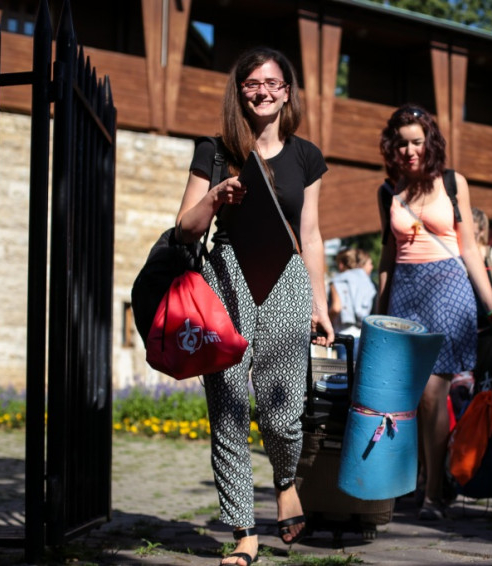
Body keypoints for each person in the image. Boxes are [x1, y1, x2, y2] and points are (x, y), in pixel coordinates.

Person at [175, 46, 333, 566]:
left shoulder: (306, 156)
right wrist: (215, 197)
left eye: (272, 82)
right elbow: (185, 227)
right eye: (252, 83)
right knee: (227, 404)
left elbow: (311, 234)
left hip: (286, 276)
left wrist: (320, 303)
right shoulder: (215, 150)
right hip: (226, 275)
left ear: (287, 92)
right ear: (239, 91)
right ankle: (243, 529)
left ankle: (285, 481)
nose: (262, 91)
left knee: (283, 411)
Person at [376, 104, 492, 521]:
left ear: (429, 142)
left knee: (434, 395)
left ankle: (433, 492)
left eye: (417, 142)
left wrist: (491, 305)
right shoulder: (389, 190)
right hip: (405, 294)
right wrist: (378, 311)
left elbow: (469, 248)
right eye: (401, 144)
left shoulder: (452, 182)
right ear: (392, 148)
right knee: (409, 398)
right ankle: (421, 478)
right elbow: (387, 256)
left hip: (448, 291)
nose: (409, 150)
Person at [328, 247, 376, 357]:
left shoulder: (338, 281)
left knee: (344, 367)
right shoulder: (366, 281)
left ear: (341, 264)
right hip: (363, 334)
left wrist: (326, 322)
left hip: (344, 335)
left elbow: (336, 307)